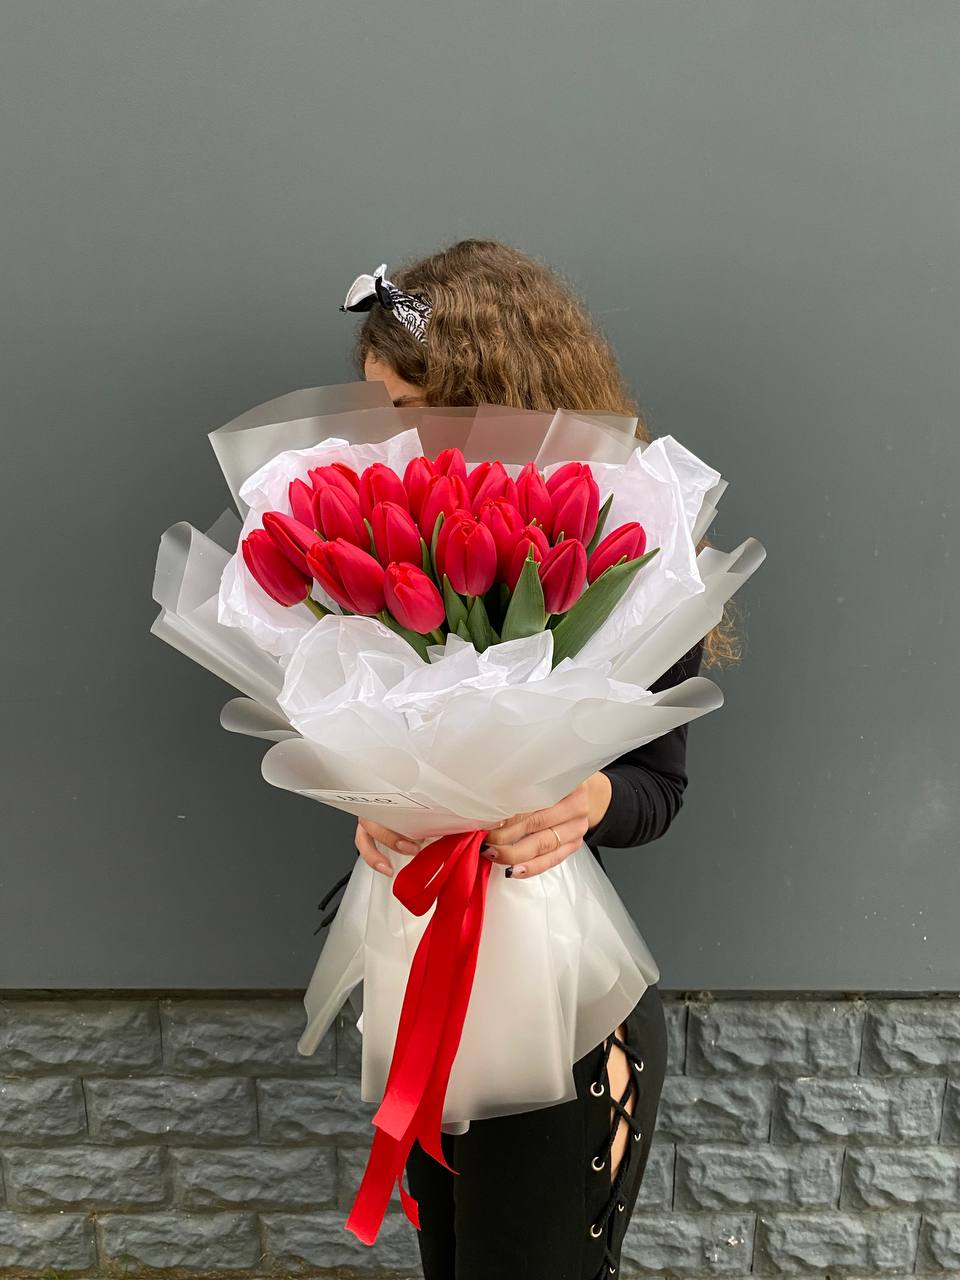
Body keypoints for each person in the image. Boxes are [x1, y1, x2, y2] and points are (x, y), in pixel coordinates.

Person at [341, 239, 739, 1280]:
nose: (385, 436)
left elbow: (659, 789)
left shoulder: (625, 537)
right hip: (432, 993)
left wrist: (590, 794)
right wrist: (377, 796)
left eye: (405, 407)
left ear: (488, 390)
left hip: (562, 1012)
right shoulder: (394, 536)